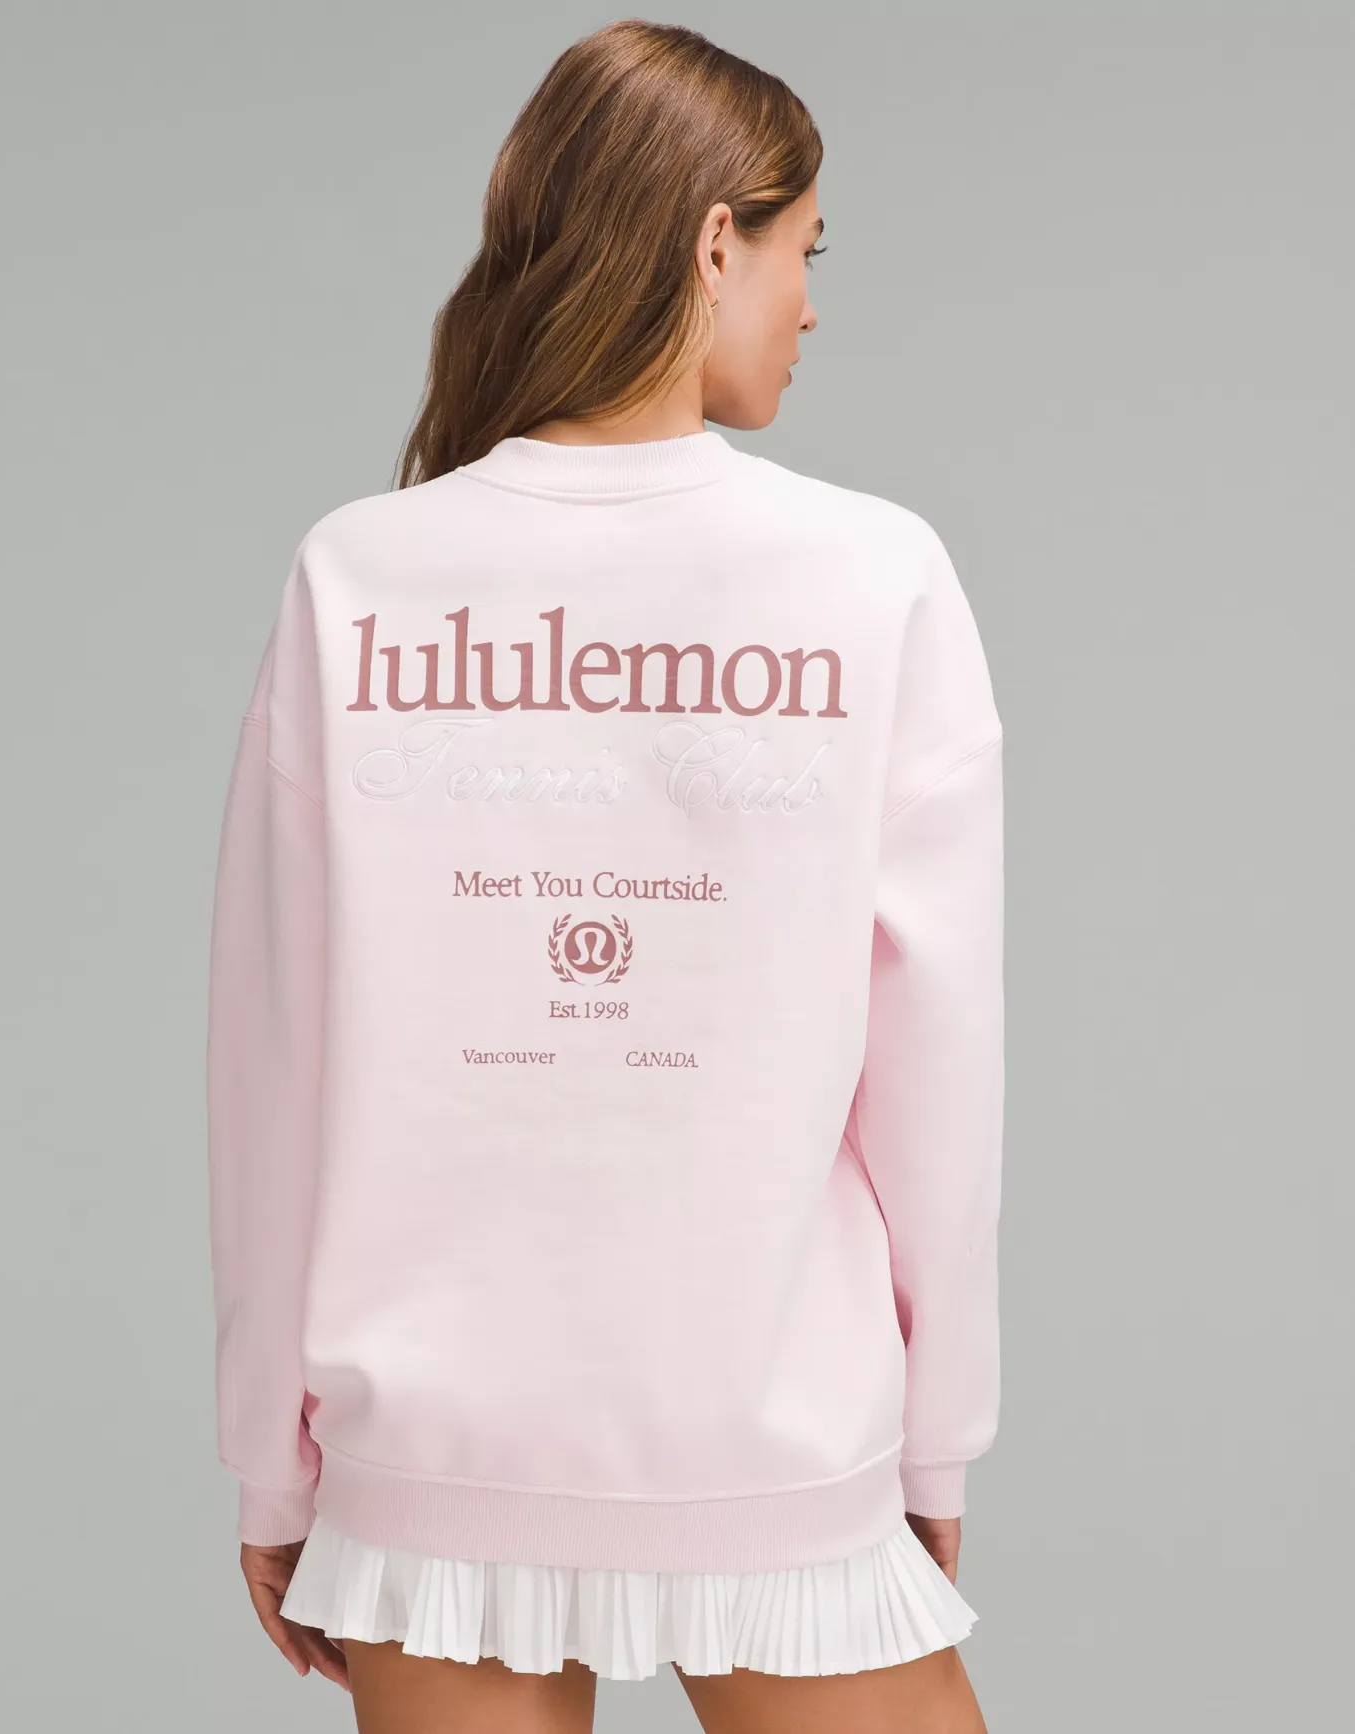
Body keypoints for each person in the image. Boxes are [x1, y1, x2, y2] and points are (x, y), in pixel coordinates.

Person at [204, 18, 1004, 1732]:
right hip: (770, 1422)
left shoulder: (361, 574)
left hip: (435, 1448)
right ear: (717, 241)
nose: (813, 304)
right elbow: (937, 1062)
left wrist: (271, 1457)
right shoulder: (876, 575)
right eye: (806, 251)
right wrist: (939, 1437)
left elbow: (272, 1061)